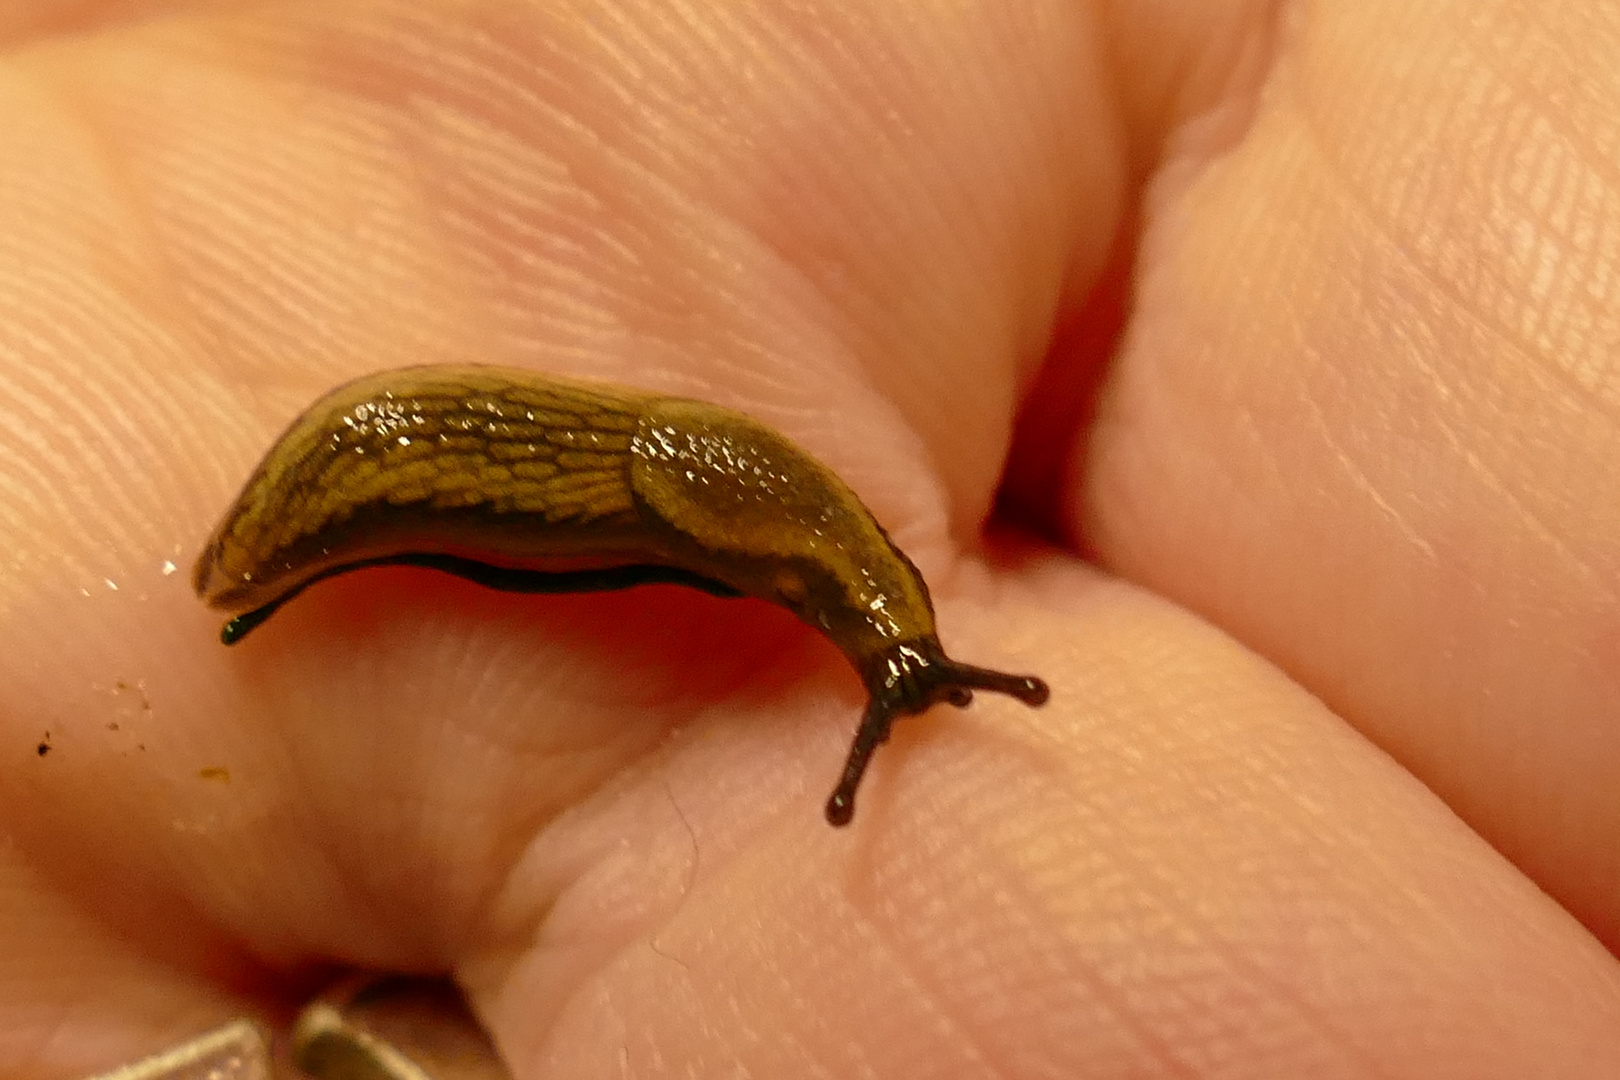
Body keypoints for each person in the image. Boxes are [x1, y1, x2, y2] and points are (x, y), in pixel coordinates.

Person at [5, 2, 1619, 1077]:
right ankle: (274, 560)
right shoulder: (684, 486)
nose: (856, 617)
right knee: (393, 465)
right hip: (407, 467)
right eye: (851, 599)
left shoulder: (725, 500)